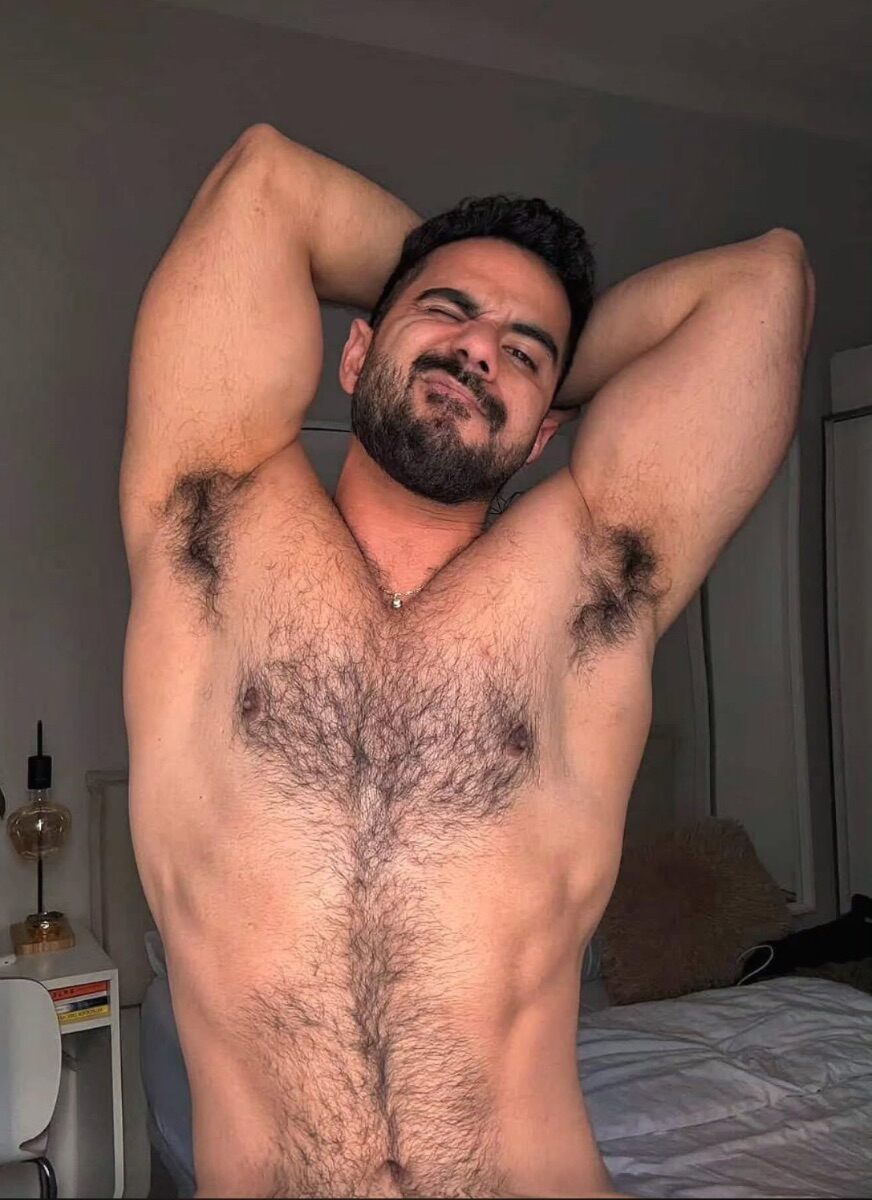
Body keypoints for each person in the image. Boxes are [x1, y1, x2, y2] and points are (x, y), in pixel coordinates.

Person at [121, 123, 814, 1199]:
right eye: (446, 315)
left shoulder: (588, 588)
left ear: (543, 431)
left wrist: (478, 323)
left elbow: (768, 283)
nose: (480, 349)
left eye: (524, 353)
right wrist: (478, 308)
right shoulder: (208, 517)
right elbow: (264, 177)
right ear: (357, 353)